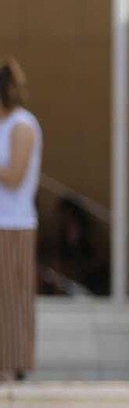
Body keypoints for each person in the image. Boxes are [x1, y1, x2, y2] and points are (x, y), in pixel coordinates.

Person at [0, 57, 40, 383]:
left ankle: (13, 364)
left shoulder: (22, 126)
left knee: (12, 296)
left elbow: (14, 175)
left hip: (13, 224)